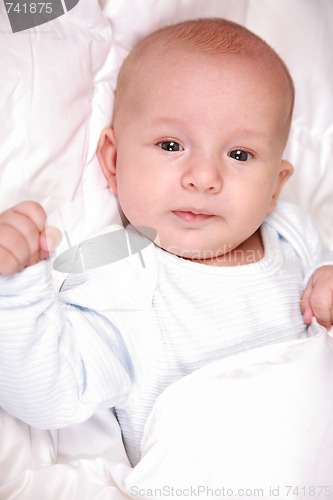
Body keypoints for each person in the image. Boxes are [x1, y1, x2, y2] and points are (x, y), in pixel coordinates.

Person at [0, 18, 332, 467]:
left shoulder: (295, 235)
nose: (204, 178)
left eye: (239, 154)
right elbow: (53, 394)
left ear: (276, 184)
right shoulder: (118, 278)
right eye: (171, 144)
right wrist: (16, 293)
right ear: (114, 162)